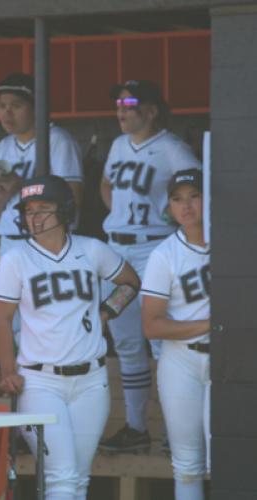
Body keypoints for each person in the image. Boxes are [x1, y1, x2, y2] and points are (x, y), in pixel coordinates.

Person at [0, 175, 140, 500]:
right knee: (61, 478)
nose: (34, 217)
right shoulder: (16, 259)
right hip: (40, 381)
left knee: (78, 479)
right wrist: (6, 369)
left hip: (92, 380)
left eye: (43, 209)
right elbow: (1, 319)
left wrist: (106, 312)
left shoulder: (92, 249)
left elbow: (130, 282)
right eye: (29, 211)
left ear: (65, 211)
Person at [99, 79, 202, 453]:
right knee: (126, 343)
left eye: (130, 105)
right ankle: (137, 427)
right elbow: (106, 183)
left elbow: (198, 189)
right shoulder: (116, 144)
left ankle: (174, 431)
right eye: (119, 105)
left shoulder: (172, 148)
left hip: (156, 247)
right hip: (118, 251)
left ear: (152, 110)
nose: (122, 111)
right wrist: (121, 213)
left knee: (161, 342)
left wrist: (168, 218)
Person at [141, 169, 210, 500]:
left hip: (229, 360)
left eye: (194, 196)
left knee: (232, 455)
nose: (186, 206)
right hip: (182, 360)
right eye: (177, 198)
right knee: (187, 464)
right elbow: (151, 324)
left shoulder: (237, 240)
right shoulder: (164, 254)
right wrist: (211, 324)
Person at [0, 72, 83, 258]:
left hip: (49, 242)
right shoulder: (0, 148)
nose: (7, 112)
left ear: (37, 108)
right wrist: (6, 191)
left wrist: (23, 185)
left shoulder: (59, 141)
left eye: (16, 106)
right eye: (2, 106)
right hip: (9, 243)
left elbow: (73, 202)